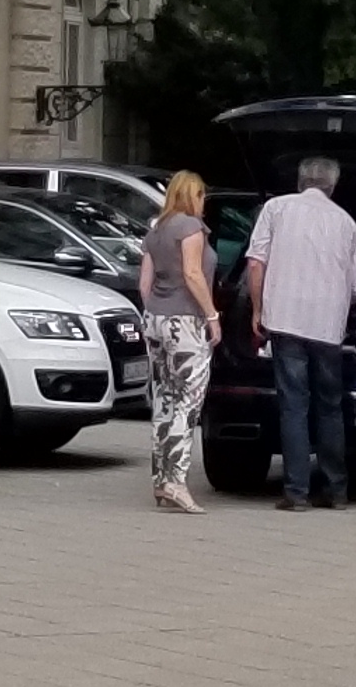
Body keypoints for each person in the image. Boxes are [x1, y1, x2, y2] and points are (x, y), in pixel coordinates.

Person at [239, 153, 356, 511]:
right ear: (332, 185)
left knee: (294, 405)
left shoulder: (276, 210)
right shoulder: (347, 223)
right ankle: (336, 490)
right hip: (328, 327)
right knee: (330, 407)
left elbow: (255, 263)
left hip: (285, 321)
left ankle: (296, 493)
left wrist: (259, 310)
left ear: (300, 180)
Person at [137, 170, 218, 513]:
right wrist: (212, 316)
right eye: (201, 196)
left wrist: (156, 308)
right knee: (188, 403)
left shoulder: (155, 230)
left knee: (164, 399)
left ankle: (160, 479)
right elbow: (193, 273)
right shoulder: (191, 228)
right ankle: (177, 482)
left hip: (155, 319)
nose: (204, 204)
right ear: (190, 197)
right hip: (186, 323)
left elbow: (144, 283)